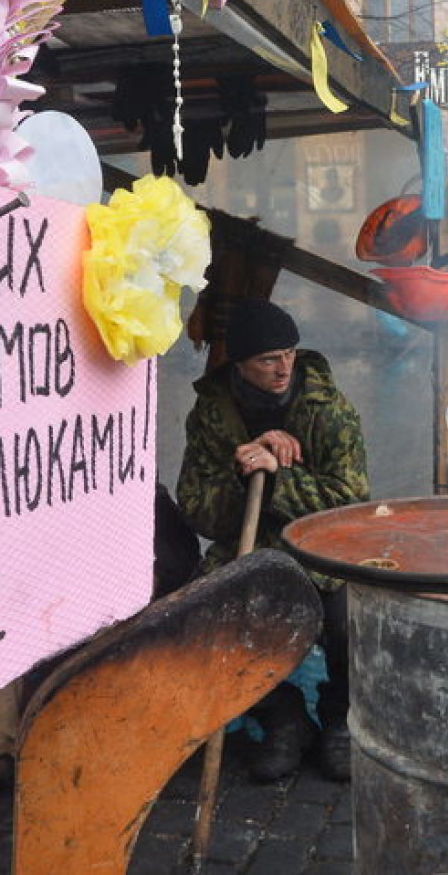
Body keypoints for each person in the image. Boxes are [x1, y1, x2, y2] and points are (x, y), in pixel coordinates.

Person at [176, 299, 369, 783]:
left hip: (321, 554)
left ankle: (340, 720)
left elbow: (349, 506)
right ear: (240, 363)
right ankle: (284, 719)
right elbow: (196, 507)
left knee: (352, 620)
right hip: (249, 549)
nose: (284, 367)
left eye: (289, 353)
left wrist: (281, 475)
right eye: (267, 359)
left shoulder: (329, 411)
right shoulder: (211, 415)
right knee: (202, 619)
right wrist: (243, 477)